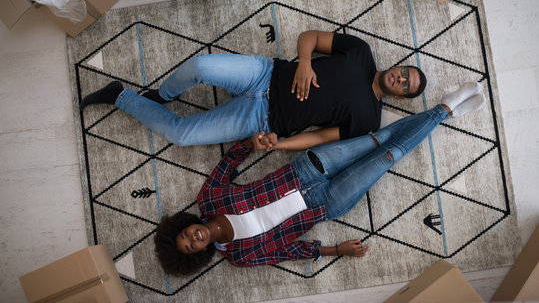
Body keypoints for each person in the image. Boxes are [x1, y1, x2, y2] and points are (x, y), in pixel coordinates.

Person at [153, 82, 485, 275]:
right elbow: (287, 251)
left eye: (185, 234)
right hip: (326, 204)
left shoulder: (209, 200)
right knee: (391, 155)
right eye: (192, 245)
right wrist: (335, 250)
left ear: (184, 224)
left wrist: (250, 144)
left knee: (380, 139)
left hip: (307, 169)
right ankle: (447, 110)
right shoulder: (240, 256)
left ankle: (447, 107)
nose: (194, 237)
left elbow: (229, 164)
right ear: (199, 252)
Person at [80, 31, 427, 151]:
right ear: (400, 66)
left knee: (181, 135)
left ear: (401, 97)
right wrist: (305, 61)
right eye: (405, 73)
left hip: (262, 118)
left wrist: (279, 145)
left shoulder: (370, 119)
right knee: (200, 66)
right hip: (265, 75)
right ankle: (164, 94)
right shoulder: (361, 52)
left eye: (405, 86)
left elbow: (321, 139)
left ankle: (119, 96)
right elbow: (310, 36)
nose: (400, 79)